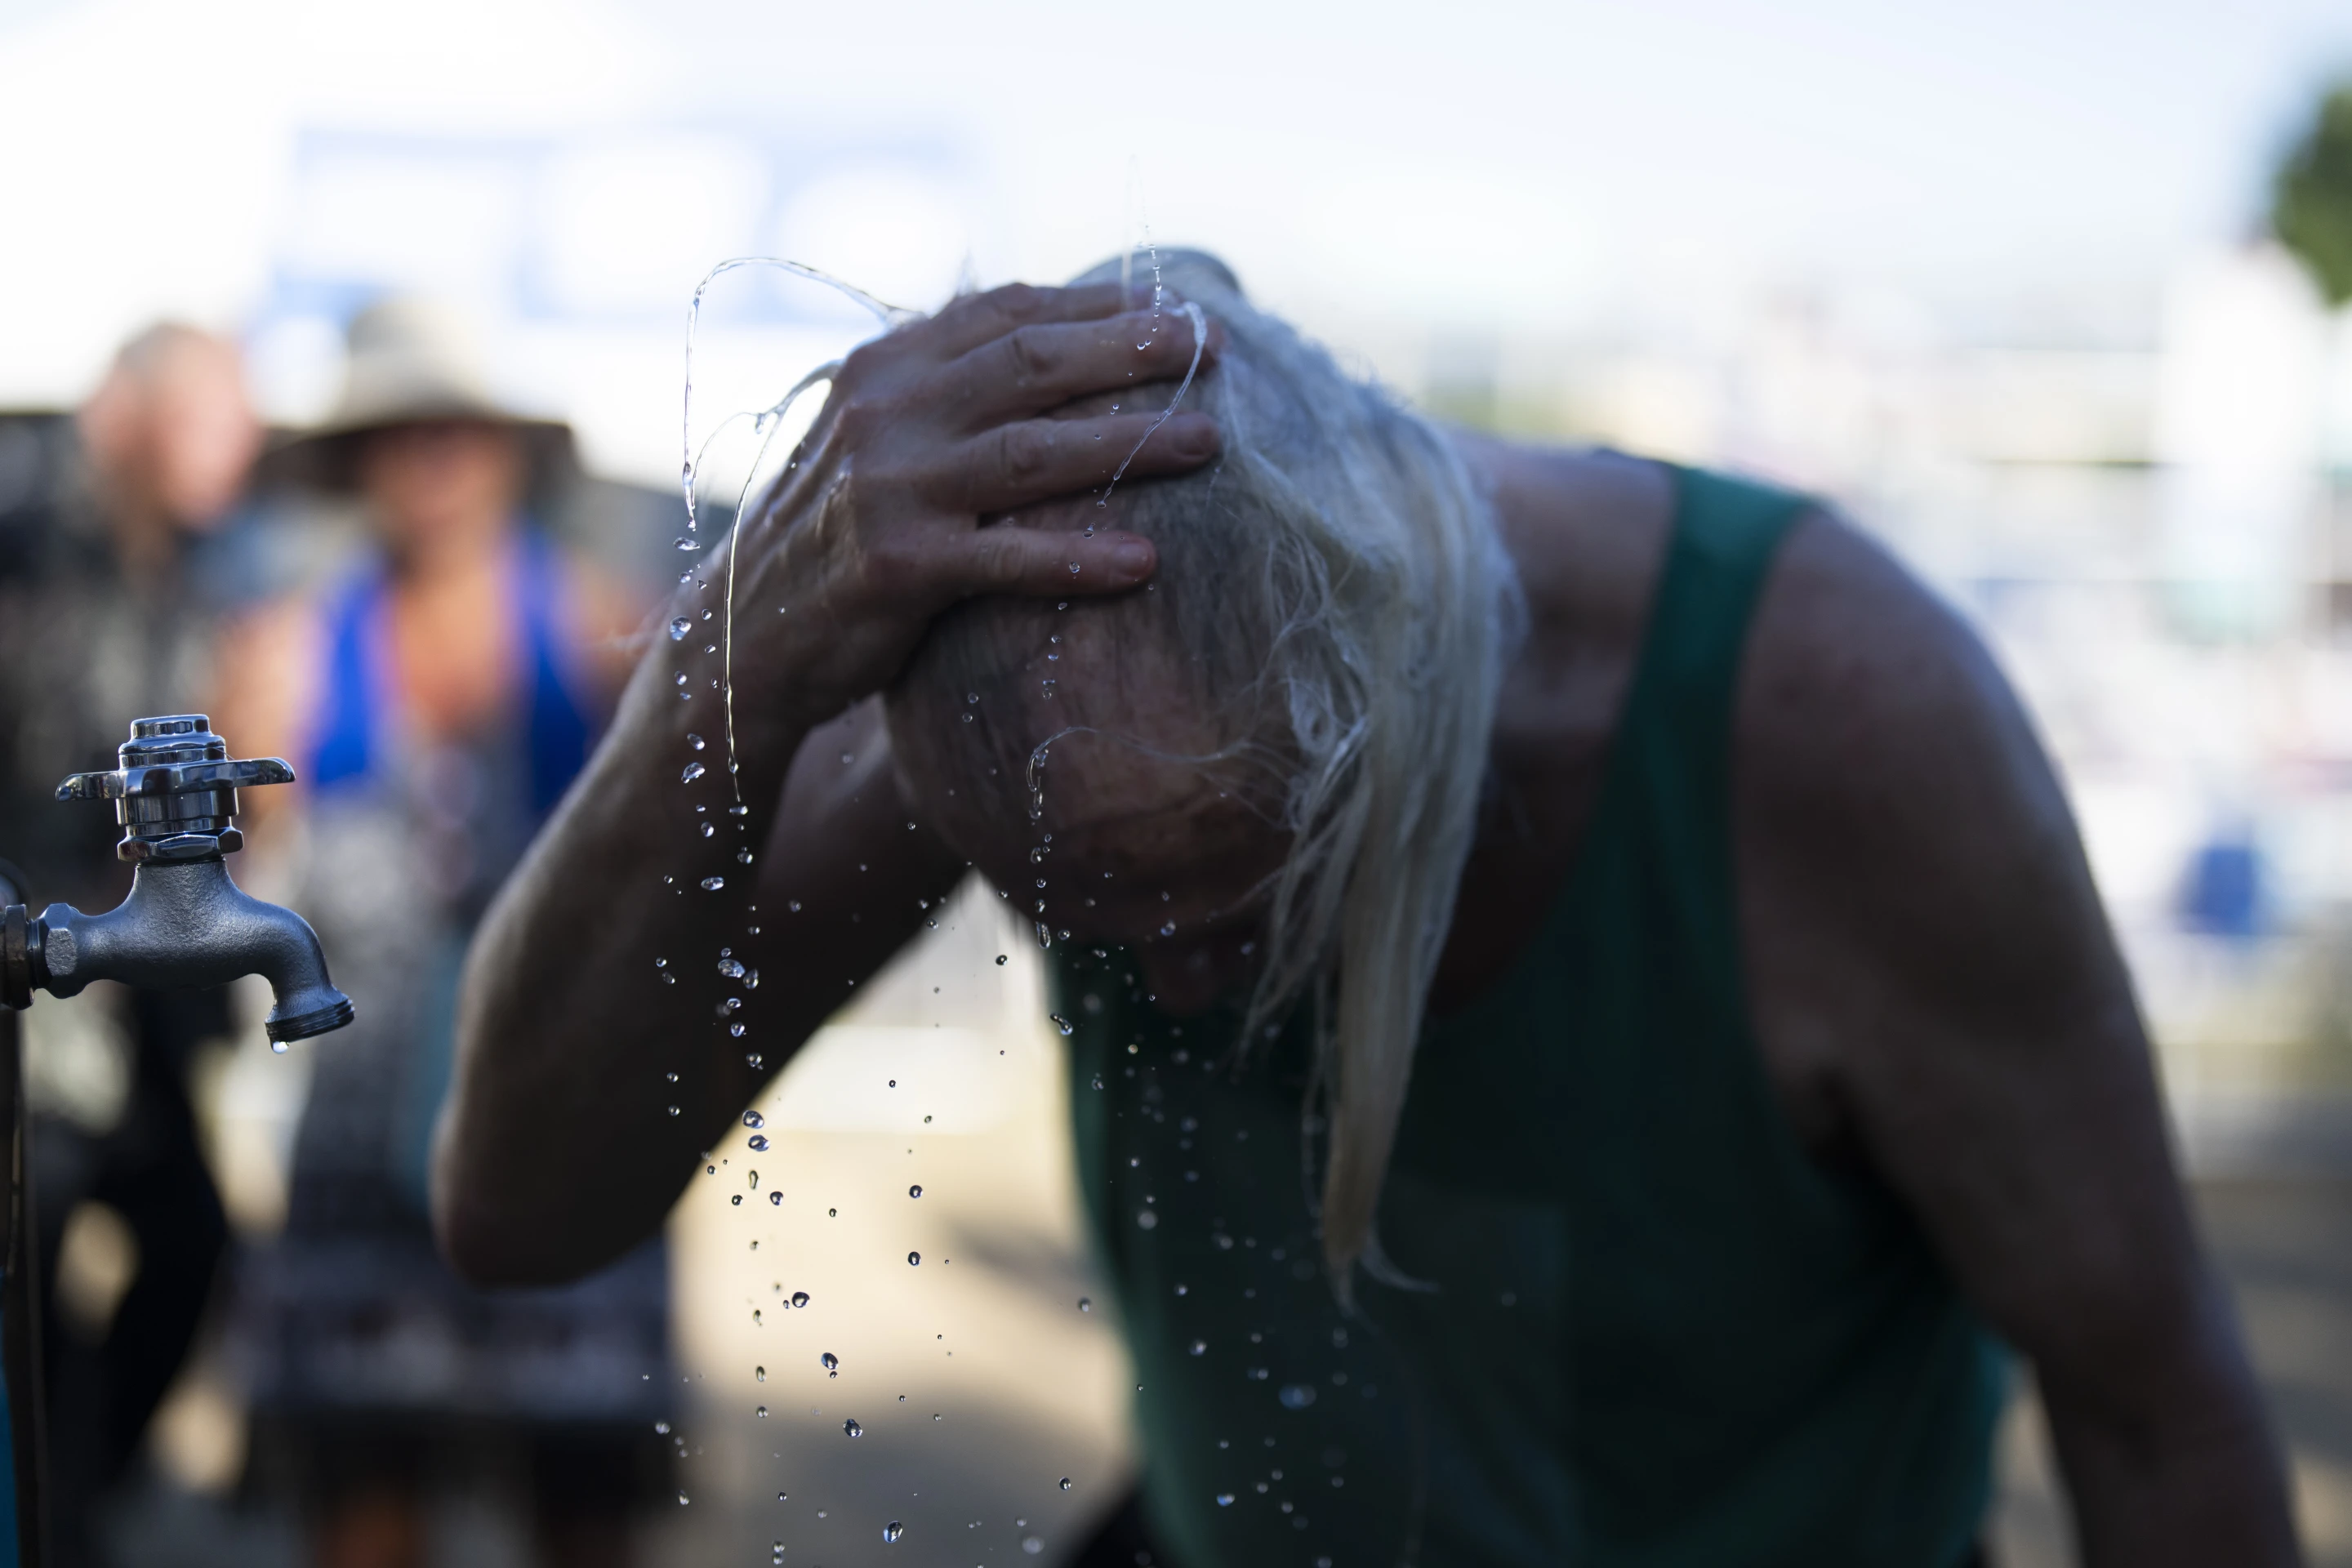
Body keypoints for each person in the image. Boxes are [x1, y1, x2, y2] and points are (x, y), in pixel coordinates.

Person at [434, 256, 2302, 1566]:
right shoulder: (1025, 684)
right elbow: (517, 1210)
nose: (1167, 977)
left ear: (1396, 714)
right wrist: (717, 671)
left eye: (1237, 893)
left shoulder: (1836, 730)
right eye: (1072, 913)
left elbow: (2153, 1414)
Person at [216, 296, 659, 1568]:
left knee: (582, 1513)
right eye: (400, 434)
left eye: (455, 431)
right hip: (358, 1147)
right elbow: (237, 885)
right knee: (363, 1512)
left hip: (568, 1126)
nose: (431, 462)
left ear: (507, 449)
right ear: (360, 459)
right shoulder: (289, 657)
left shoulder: (606, 634)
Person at [0, 323, 264, 1567]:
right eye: (209, 414)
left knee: (193, 1238)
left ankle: (76, 1496)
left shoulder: (192, 568)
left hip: (126, 984)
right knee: (31, 1236)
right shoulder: (29, 535)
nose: (240, 441)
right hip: (29, 960)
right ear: (133, 415)